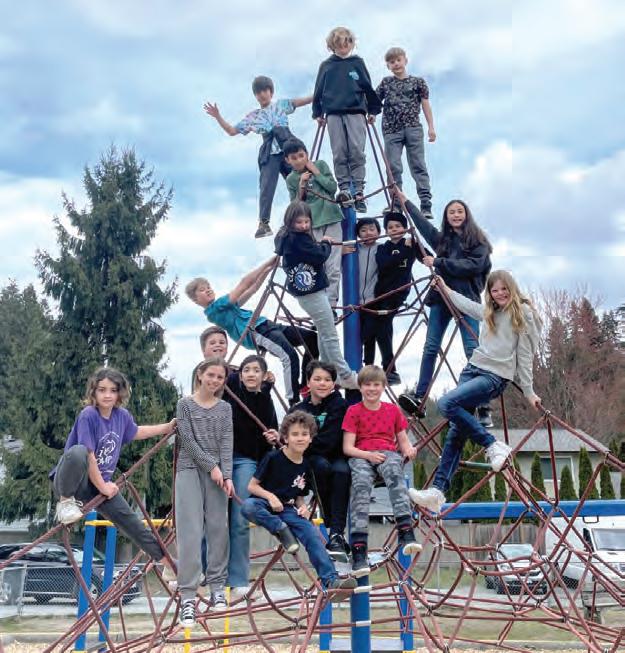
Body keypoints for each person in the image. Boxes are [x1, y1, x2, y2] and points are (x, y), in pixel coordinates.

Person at [408, 271, 542, 514]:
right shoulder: (491, 312)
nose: (499, 294)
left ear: (512, 288)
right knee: (456, 433)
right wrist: (446, 289)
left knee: (446, 403)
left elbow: (525, 355)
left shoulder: (523, 314)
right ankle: (438, 492)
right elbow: (467, 305)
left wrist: (529, 390)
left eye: (504, 289)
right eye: (494, 290)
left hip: (494, 377)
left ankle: (492, 445)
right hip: (472, 370)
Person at [50, 368, 176, 570]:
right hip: (75, 481)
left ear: (120, 393)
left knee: (131, 522)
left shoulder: (121, 416)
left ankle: (168, 564)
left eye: (113, 390)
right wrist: (104, 487)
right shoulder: (88, 415)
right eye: (102, 390)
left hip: (98, 486)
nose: (107, 395)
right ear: (94, 392)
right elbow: (90, 455)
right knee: (78, 452)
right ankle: (65, 503)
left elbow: (137, 431)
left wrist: (167, 428)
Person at [397, 193, 493, 424]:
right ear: (446, 217)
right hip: (441, 298)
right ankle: (420, 397)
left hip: (466, 299)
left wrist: (438, 262)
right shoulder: (443, 241)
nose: (456, 215)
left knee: (473, 349)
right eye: (452, 212)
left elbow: (471, 266)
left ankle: (483, 405)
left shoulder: (478, 242)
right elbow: (423, 225)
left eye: (460, 211)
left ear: (467, 215)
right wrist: (405, 201)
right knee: (430, 347)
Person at [241, 411, 356, 596]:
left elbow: (299, 495)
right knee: (248, 506)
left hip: (288, 509)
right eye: (295, 434)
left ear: (310, 439)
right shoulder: (273, 458)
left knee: (312, 534)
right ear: (285, 438)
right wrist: (271, 497)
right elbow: (252, 486)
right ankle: (280, 529)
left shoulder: (306, 465)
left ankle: (331, 580)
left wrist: (303, 507)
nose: (300, 438)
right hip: (265, 504)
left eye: (304, 434)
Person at [186, 257, 318, 405]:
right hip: (256, 331)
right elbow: (243, 284)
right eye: (202, 290)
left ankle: (305, 384)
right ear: (196, 300)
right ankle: (293, 401)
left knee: (312, 338)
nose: (208, 289)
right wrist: (267, 263)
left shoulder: (228, 307)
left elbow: (252, 289)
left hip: (267, 325)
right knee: (289, 356)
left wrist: (268, 271)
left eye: (208, 286)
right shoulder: (214, 311)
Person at [203, 76, 312, 238]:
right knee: (266, 185)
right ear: (255, 96)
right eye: (258, 92)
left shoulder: (280, 105)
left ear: (271, 92)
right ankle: (264, 223)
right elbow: (232, 131)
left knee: (300, 178)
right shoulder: (254, 116)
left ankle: (308, 209)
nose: (262, 94)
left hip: (288, 147)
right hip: (270, 152)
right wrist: (218, 116)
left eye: (265, 90)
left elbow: (302, 101)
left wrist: (321, 93)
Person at [342, 365, 421, 577]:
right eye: (367, 384)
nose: (372, 389)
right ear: (360, 387)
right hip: (362, 454)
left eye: (376, 384)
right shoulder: (354, 411)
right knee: (360, 486)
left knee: (395, 471)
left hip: (387, 453)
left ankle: (405, 530)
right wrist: (368, 455)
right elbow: (348, 448)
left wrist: (409, 449)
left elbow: (402, 439)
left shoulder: (392, 410)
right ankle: (359, 549)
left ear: (383, 387)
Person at [175, 358, 233, 627]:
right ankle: (188, 596)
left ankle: (217, 587)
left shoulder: (225, 408)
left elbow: (227, 442)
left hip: (218, 474)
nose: (214, 381)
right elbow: (187, 440)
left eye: (220, 377)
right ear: (200, 374)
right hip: (190, 470)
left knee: (219, 528)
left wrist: (227, 475)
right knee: (190, 531)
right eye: (211, 375)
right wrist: (212, 466)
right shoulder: (184, 404)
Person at [274, 201, 358, 390]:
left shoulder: (285, 237)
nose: (304, 226)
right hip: (312, 292)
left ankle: (329, 371)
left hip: (305, 291)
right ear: (290, 221)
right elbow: (319, 256)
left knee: (323, 331)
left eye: (306, 222)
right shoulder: (299, 239)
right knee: (329, 334)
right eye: (299, 222)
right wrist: (326, 243)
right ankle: (344, 375)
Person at [224, 354, 279, 598]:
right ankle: (206, 571)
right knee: (212, 519)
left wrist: (273, 437)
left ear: (264, 375)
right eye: (246, 369)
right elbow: (220, 372)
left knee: (239, 519)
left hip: (246, 460)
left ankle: (238, 579)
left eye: (256, 370)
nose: (250, 374)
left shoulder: (265, 399)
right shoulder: (230, 392)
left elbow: (271, 433)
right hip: (221, 458)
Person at [312, 26, 381, 213]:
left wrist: (373, 109)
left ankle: (358, 190)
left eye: (347, 44)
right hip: (333, 113)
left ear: (351, 44)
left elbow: (367, 86)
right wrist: (317, 112)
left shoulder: (357, 62)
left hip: (356, 111)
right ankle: (344, 189)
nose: (343, 48)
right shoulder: (327, 66)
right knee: (339, 151)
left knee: (357, 150)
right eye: (339, 45)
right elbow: (318, 90)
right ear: (332, 46)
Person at [289, 361, 350, 559]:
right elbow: (290, 438)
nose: (322, 383)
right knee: (320, 467)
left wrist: (307, 443)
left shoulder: (339, 405)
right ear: (308, 382)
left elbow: (332, 439)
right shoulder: (299, 410)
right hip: (311, 461)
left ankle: (337, 533)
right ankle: (332, 524)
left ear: (333, 383)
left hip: (336, 455)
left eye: (327, 380)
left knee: (342, 471)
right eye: (317, 379)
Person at [284, 138, 344, 309]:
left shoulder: (320, 165)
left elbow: (332, 188)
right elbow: (296, 206)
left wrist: (316, 172)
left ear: (307, 154)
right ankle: (321, 304)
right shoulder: (291, 179)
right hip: (311, 224)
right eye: (294, 158)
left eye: (301, 155)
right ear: (287, 160)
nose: (298, 160)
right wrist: (302, 185)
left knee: (333, 266)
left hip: (331, 218)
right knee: (317, 264)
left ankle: (331, 305)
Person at [376, 47, 436, 218]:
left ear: (405, 61)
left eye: (398, 60)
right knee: (393, 166)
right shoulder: (386, 83)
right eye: (392, 62)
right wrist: (371, 113)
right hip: (391, 130)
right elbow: (374, 101)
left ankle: (425, 203)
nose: (396, 64)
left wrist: (431, 127)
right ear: (388, 66)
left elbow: (425, 104)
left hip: (413, 128)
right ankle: (396, 202)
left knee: (418, 164)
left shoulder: (418, 82)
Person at [371, 210, 417, 386]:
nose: (394, 229)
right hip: (381, 293)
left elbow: (426, 256)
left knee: (383, 326)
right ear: (386, 231)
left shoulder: (412, 243)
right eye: (390, 227)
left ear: (405, 228)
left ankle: (390, 370)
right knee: (376, 328)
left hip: (398, 292)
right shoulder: (383, 248)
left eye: (398, 226)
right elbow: (385, 264)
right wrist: (405, 250)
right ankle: (377, 367)